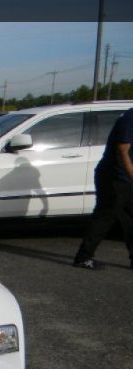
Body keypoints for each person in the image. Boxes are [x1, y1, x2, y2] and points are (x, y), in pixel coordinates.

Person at [73, 107, 133, 270]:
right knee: (105, 216)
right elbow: (123, 150)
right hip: (114, 176)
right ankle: (83, 257)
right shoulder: (130, 118)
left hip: (124, 177)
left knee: (130, 218)